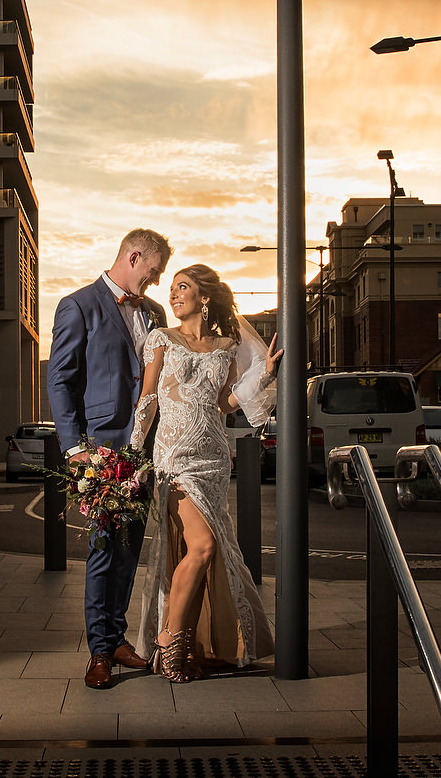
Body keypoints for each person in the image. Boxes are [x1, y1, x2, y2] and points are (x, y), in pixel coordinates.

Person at [129, 263, 281, 681]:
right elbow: (148, 402)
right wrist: (129, 456)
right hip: (174, 458)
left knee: (204, 550)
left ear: (204, 296)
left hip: (214, 457)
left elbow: (226, 404)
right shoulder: (161, 339)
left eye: (183, 288)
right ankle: (169, 641)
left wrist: (265, 373)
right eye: (173, 288)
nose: (174, 294)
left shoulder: (226, 346)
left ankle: (186, 642)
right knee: (202, 547)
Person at [48, 228, 172, 690]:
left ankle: (117, 639)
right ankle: (100, 651)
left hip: (146, 450)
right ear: (134, 256)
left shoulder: (155, 313)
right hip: (102, 449)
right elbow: (59, 380)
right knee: (104, 548)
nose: (155, 283)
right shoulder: (78, 305)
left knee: (130, 549)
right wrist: (76, 448)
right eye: (153, 272)